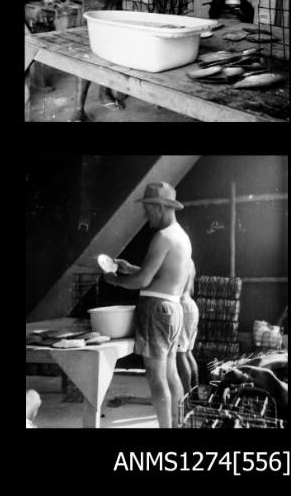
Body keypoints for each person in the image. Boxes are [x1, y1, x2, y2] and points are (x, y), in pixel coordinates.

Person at [103, 182, 192, 428]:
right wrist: (130, 268)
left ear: (160, 207)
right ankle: (178, 425)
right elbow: (161, 275)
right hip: (173, 309)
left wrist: (116, 280)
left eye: (148, 208)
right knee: (171, 374)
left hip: (156, 310)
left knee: (155, 377)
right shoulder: (181, 236)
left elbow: (143, 281)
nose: (146, 214)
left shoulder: (162, 237)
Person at [176, 261, 199, 396]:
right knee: (188, 352)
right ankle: (194, 394)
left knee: (180, 354)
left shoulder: (180, 261)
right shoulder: (190, 263)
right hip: (191, 306)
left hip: (182, 307)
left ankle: (187, 397)